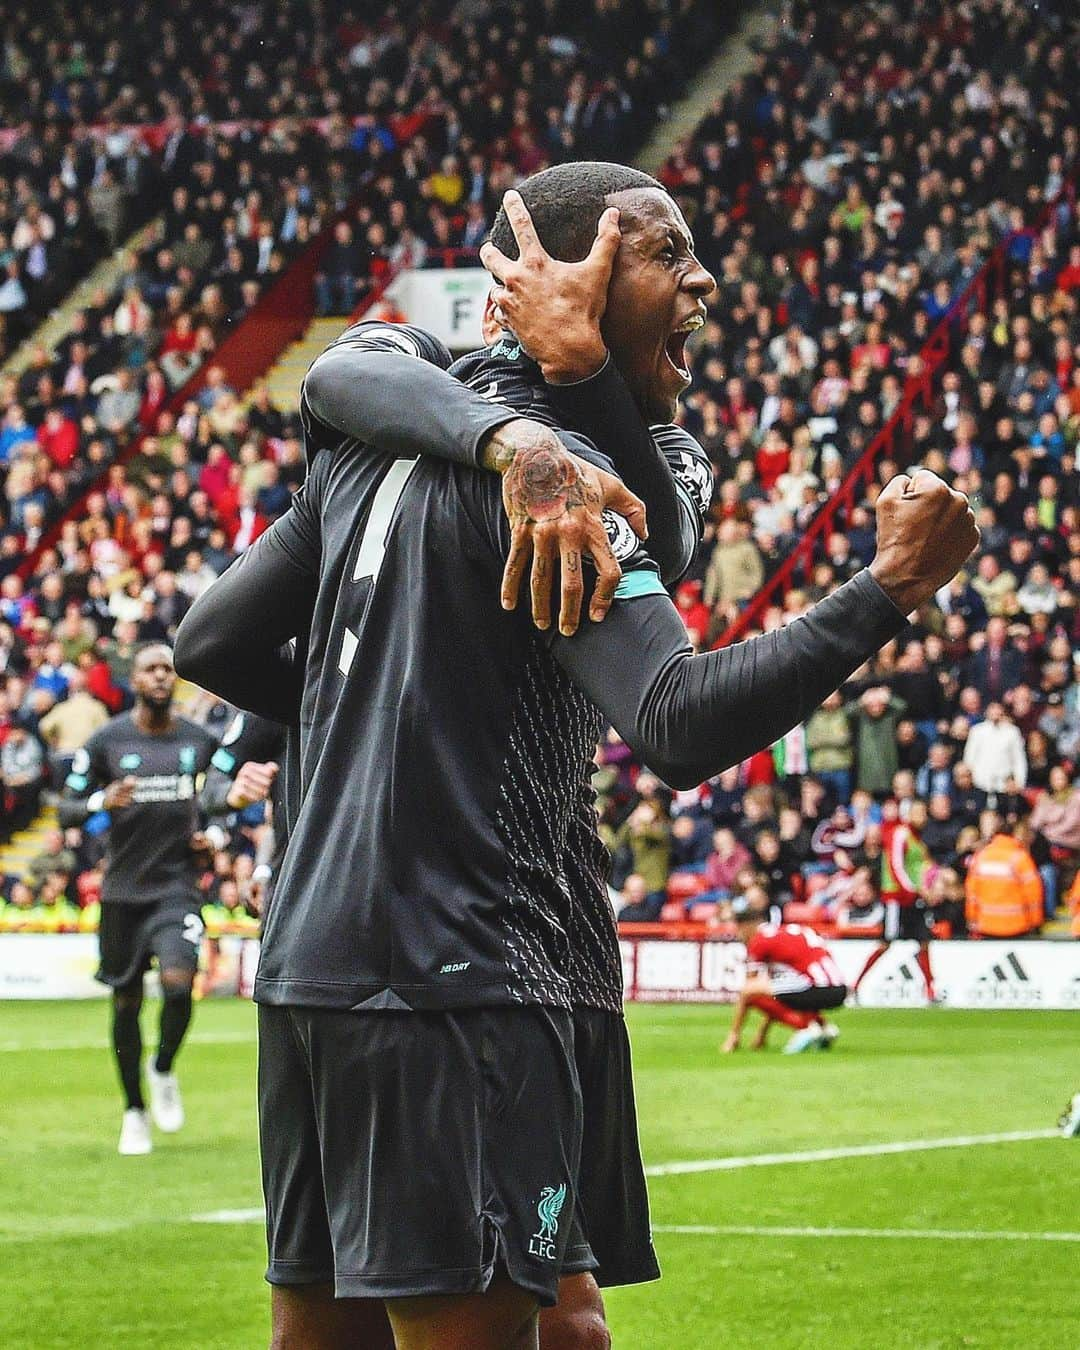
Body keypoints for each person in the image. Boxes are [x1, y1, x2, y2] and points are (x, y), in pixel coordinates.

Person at [175, 163, 977, 1350]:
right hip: (468, 969)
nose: (702, 277)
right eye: (666, 253)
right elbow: (678, 717)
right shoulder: (556, 480)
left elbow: (212, 634)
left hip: (322, 960)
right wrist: (889, 589)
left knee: (522, 1325)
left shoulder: (384, 434)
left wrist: (385, 728)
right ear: (562, 275)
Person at [57, 645, 259, 1156]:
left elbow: (221, 800)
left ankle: (164, 1067)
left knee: (177, 984)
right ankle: (134, 1110)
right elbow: (66, 807)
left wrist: (213, 838)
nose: (160, 676)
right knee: (125, 1004)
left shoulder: (199, 740)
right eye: (150, 669)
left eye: (168, 669)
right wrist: (104, 800)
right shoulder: (107, 741)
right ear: (135, 681)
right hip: (123, 891)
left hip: (177, 887)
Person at [721, 891, 847, 1054]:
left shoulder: (759, 941)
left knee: (748, 991)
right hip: (838, 989)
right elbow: (777, 997)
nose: (738, 935)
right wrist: (762, 1033)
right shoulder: (785, 932)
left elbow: (750, 988)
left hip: (815, 986)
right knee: (778, 992)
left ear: (747, 926)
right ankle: (823, 1028)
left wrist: (734, 1035)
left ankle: (807, 1029)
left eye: (738, 930)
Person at [851, 800, 937, 1002]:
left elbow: (923, 867)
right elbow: (896, 866)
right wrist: (914, 890)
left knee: (923, 941)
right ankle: (855, 985)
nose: (922, 817)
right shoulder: (901, 834)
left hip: (913, 898)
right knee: (885, 942)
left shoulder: (918, 839)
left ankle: (930, 989)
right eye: (918, 812)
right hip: (896, 899)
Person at [965, 825, 1043, 939]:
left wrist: (972, 918)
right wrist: (1035, 922)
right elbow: (1033, 894)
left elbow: (972, 893)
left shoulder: (981, 857)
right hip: (1017, 925)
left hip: (987, 924)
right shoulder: (1020, 858)